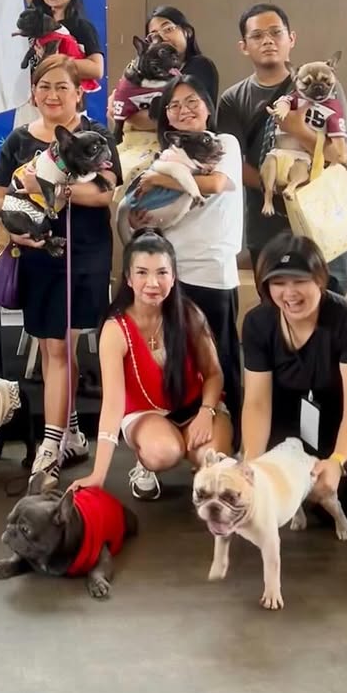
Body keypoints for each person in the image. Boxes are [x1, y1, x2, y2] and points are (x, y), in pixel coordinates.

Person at [0, 55, 120, 483]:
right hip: (37, 253)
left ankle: (51, 445)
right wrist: (15, 233)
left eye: (62, 87)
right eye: (44, 86)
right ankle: (70, 434)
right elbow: (0, 194)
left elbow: (103, 192)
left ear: (79, 92)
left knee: (62, 346)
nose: (52, 94)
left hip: (83, 252)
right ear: (33, 93)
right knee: (52, 347)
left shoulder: (96, 135)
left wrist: (50, 187)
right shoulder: (18, 140)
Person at [122, 72, 243, 480]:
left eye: (192, 101)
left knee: (220, 359)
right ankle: (152, 446)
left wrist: (160, 179)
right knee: (166, 357)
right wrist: (142, 212)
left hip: (213, 270)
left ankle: (227, 445)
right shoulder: (168, 154)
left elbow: (217, 183)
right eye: (174, 106)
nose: (183, 110)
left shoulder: (224, 144)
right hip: (170, 273)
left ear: (208, 107)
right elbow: (144, 212)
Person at [71, 232, 231, 500]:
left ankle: (198, 459)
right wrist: (97, 475)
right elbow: (112, 404)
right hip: (144, 412)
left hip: (195, 406)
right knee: (164, 451)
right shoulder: (115, 329)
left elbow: (214, 374)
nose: (153, 283)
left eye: (162, 273)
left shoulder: (189, 314)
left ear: (174, 276)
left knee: (212, 459)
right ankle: (145, 463)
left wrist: (206, 411)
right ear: (129, 278)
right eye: (142, 273)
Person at [217, 3, 347, 295]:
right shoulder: (233, 99)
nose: (268, 41)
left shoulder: (324, 84)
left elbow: (338, 155)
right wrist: (277, 188)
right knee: (277, 303)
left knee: (329, 303)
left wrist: (296, 129)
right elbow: (232, 163)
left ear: (291, 38)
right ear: (243, 46)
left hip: (323, 217)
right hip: (268, 223)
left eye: (275, 33)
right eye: (257, 36)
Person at [241, 234, 347, 520]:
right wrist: (251, 463)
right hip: (286, 420)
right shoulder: (258, 322)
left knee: (339, 508)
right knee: (272, 499)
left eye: (300, 280)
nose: (290, 293)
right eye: (279, 283)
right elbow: (256, 402)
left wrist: (338, 462)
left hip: (340, 419)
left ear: (320, 279)